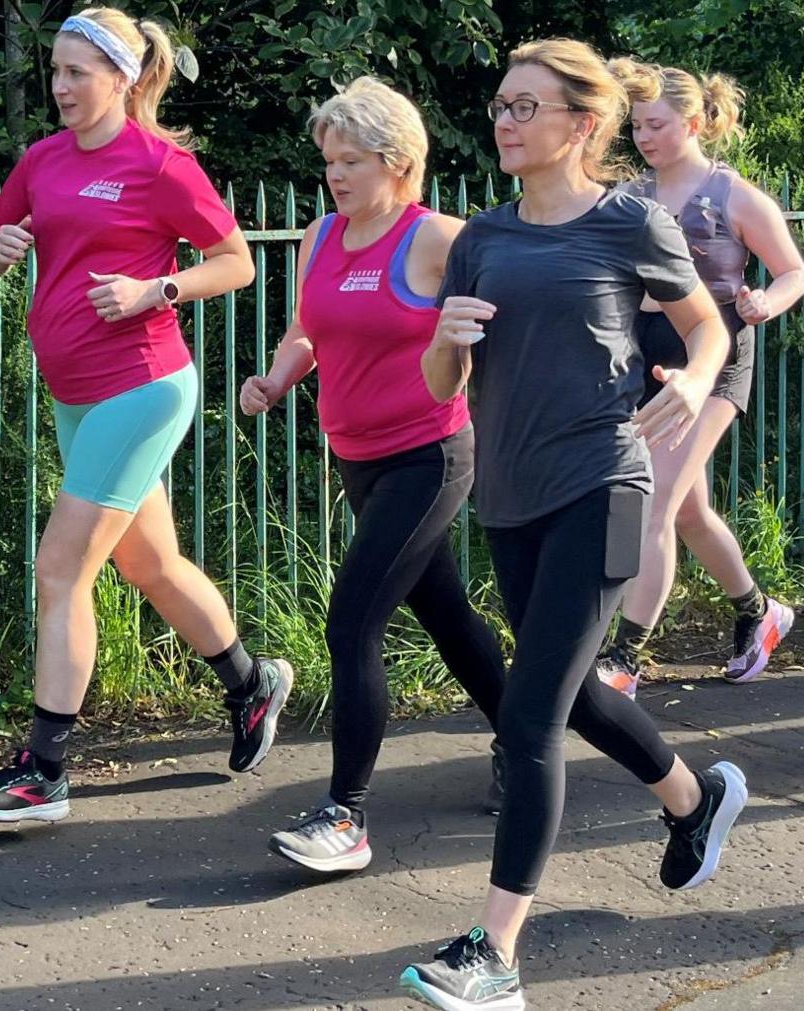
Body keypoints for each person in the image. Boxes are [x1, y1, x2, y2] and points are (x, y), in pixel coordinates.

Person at [399, 39, 750, 1010]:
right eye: (502, 106)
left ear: (580, 125)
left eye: (526, 106)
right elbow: (440, 387)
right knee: (574, 695)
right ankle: (693, 798)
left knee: (529, 716)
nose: (506, 120)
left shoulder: (625, 221)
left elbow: (708, 322)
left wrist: (691, 372)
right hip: (510, 499)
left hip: (602, 484)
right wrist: (444, 341)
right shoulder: (480, 239)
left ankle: (496, 954)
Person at [0, 8, 293, 824]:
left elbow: (237, 263)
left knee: (61, 567)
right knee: (150, 565)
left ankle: (44, 769)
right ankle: (252, 682)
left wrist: (157, 290)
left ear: (124, 78)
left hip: (142, 387)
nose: (61, 87)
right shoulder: (43, 160)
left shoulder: (161, 166)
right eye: (56, 71)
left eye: (77, 72)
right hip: (73, 392)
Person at [239, 77, 507, 872]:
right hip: (356, 456)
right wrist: (279, 375)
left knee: (352, 619)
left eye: (352, 160)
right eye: (329, 161)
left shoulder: (441, 239)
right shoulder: (321, 236)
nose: (336, 175)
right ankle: (526, 737)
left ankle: (345, 817)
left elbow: (501, 324)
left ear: (397, 161)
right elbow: (306, 330)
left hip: (430, 454)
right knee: (448, 612)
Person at [594, 58, 804, 696]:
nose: (644, 137)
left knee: (655, 503)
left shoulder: (734, 196)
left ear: (693, 122)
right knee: (688, 511)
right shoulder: (630, 197)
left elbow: (793, 271)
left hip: (714, 359)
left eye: (656, 125)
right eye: (635, 126)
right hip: (646, 360)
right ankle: (758, 612)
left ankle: (624, 659)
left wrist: (766, 302)